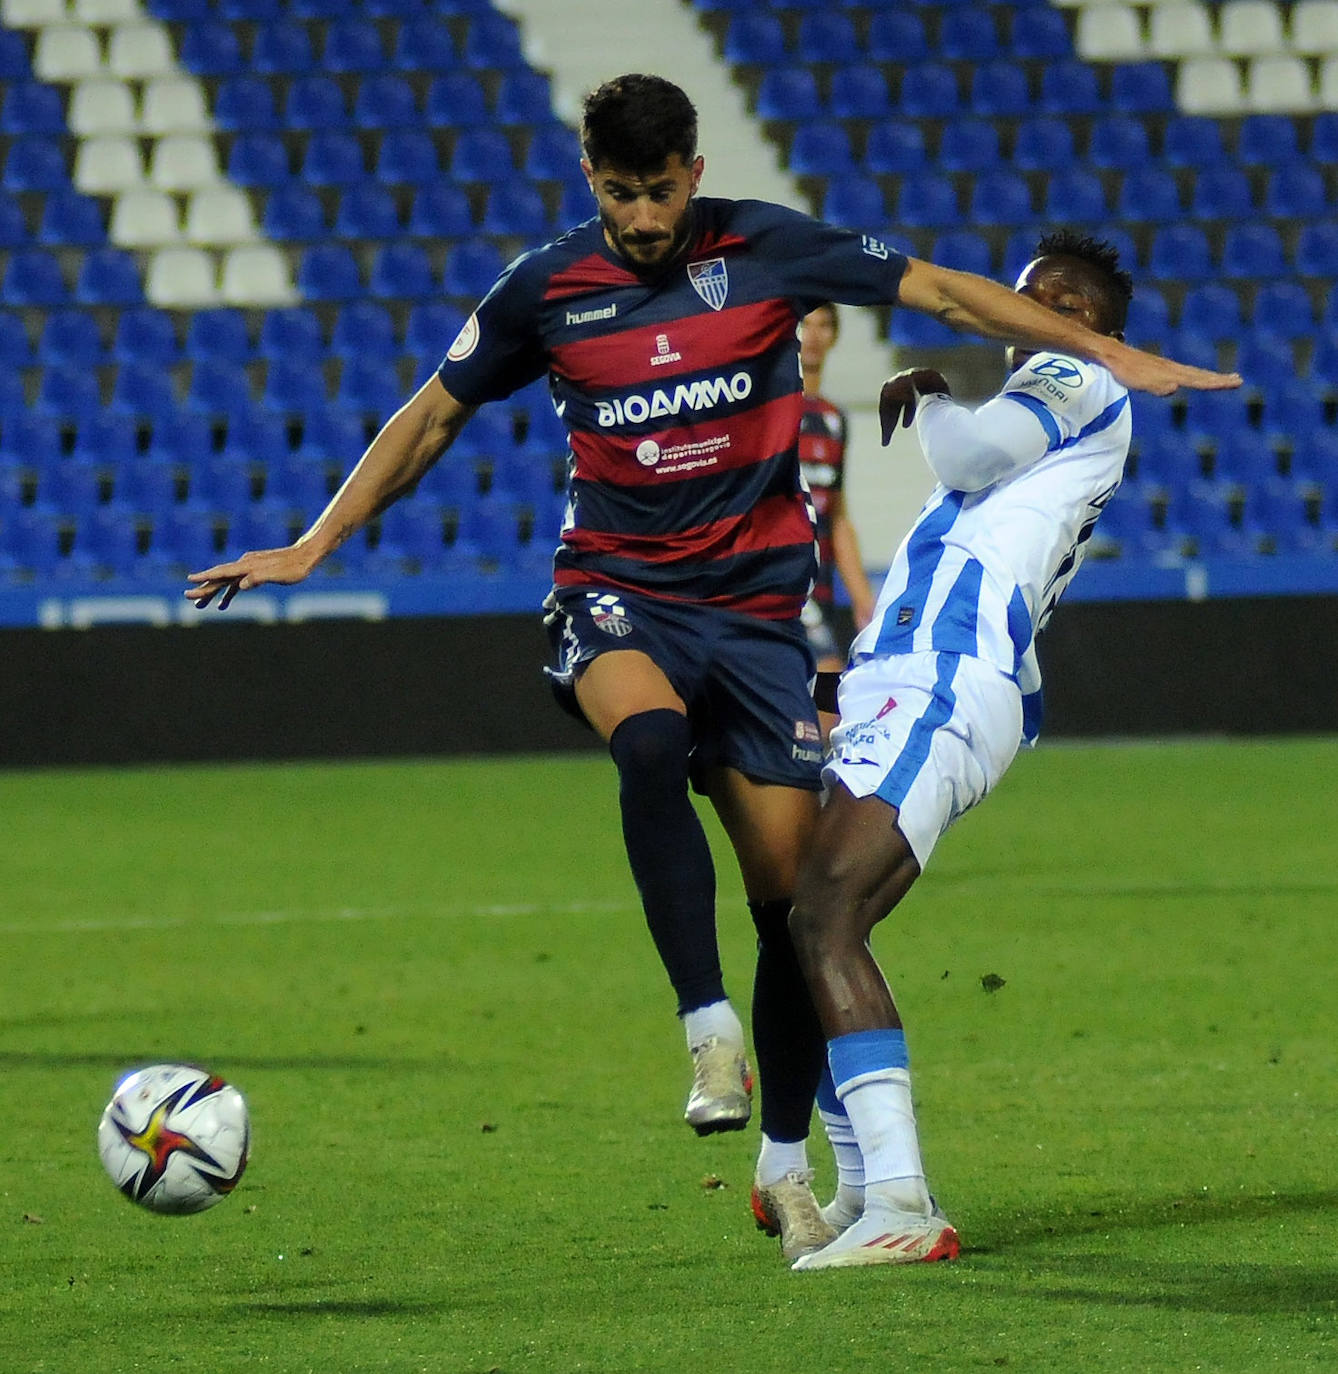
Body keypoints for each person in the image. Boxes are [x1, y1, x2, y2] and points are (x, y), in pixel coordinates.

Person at [183, 76, 1238, 1263]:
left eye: (660, 190)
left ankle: (794, 1164)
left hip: (753, 620)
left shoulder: (769, 247)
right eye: (619, 194)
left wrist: (1105, 352)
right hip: (618, 589)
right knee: (644, 741)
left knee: (798, 906)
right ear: (595, 179)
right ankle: (706, 1029)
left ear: (694, 167)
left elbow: (942, 289)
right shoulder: (546, 289)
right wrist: (315, 543)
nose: (641, 218)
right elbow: (431, 416)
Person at [788, 231, 1142, 1270]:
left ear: (1101, 329)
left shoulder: (1082, 376)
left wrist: (934, 399)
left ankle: (899, 1199)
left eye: (1059, 303)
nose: (1035, 316)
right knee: (798, 922)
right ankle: (864, 1182)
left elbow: (967, 454)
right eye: (1026, 298)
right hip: (903, 676)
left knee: (823, 913)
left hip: (942, 676)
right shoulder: (1053, 415)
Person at [796, 304, 876, 743]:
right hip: (776, 595)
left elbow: (838, 517)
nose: (813, 334)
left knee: (824, 715)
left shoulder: (833, 420)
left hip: (819, 594)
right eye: (805, 323)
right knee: (826, 698)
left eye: (824, 324)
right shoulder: (764, 412)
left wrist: (864, 601)